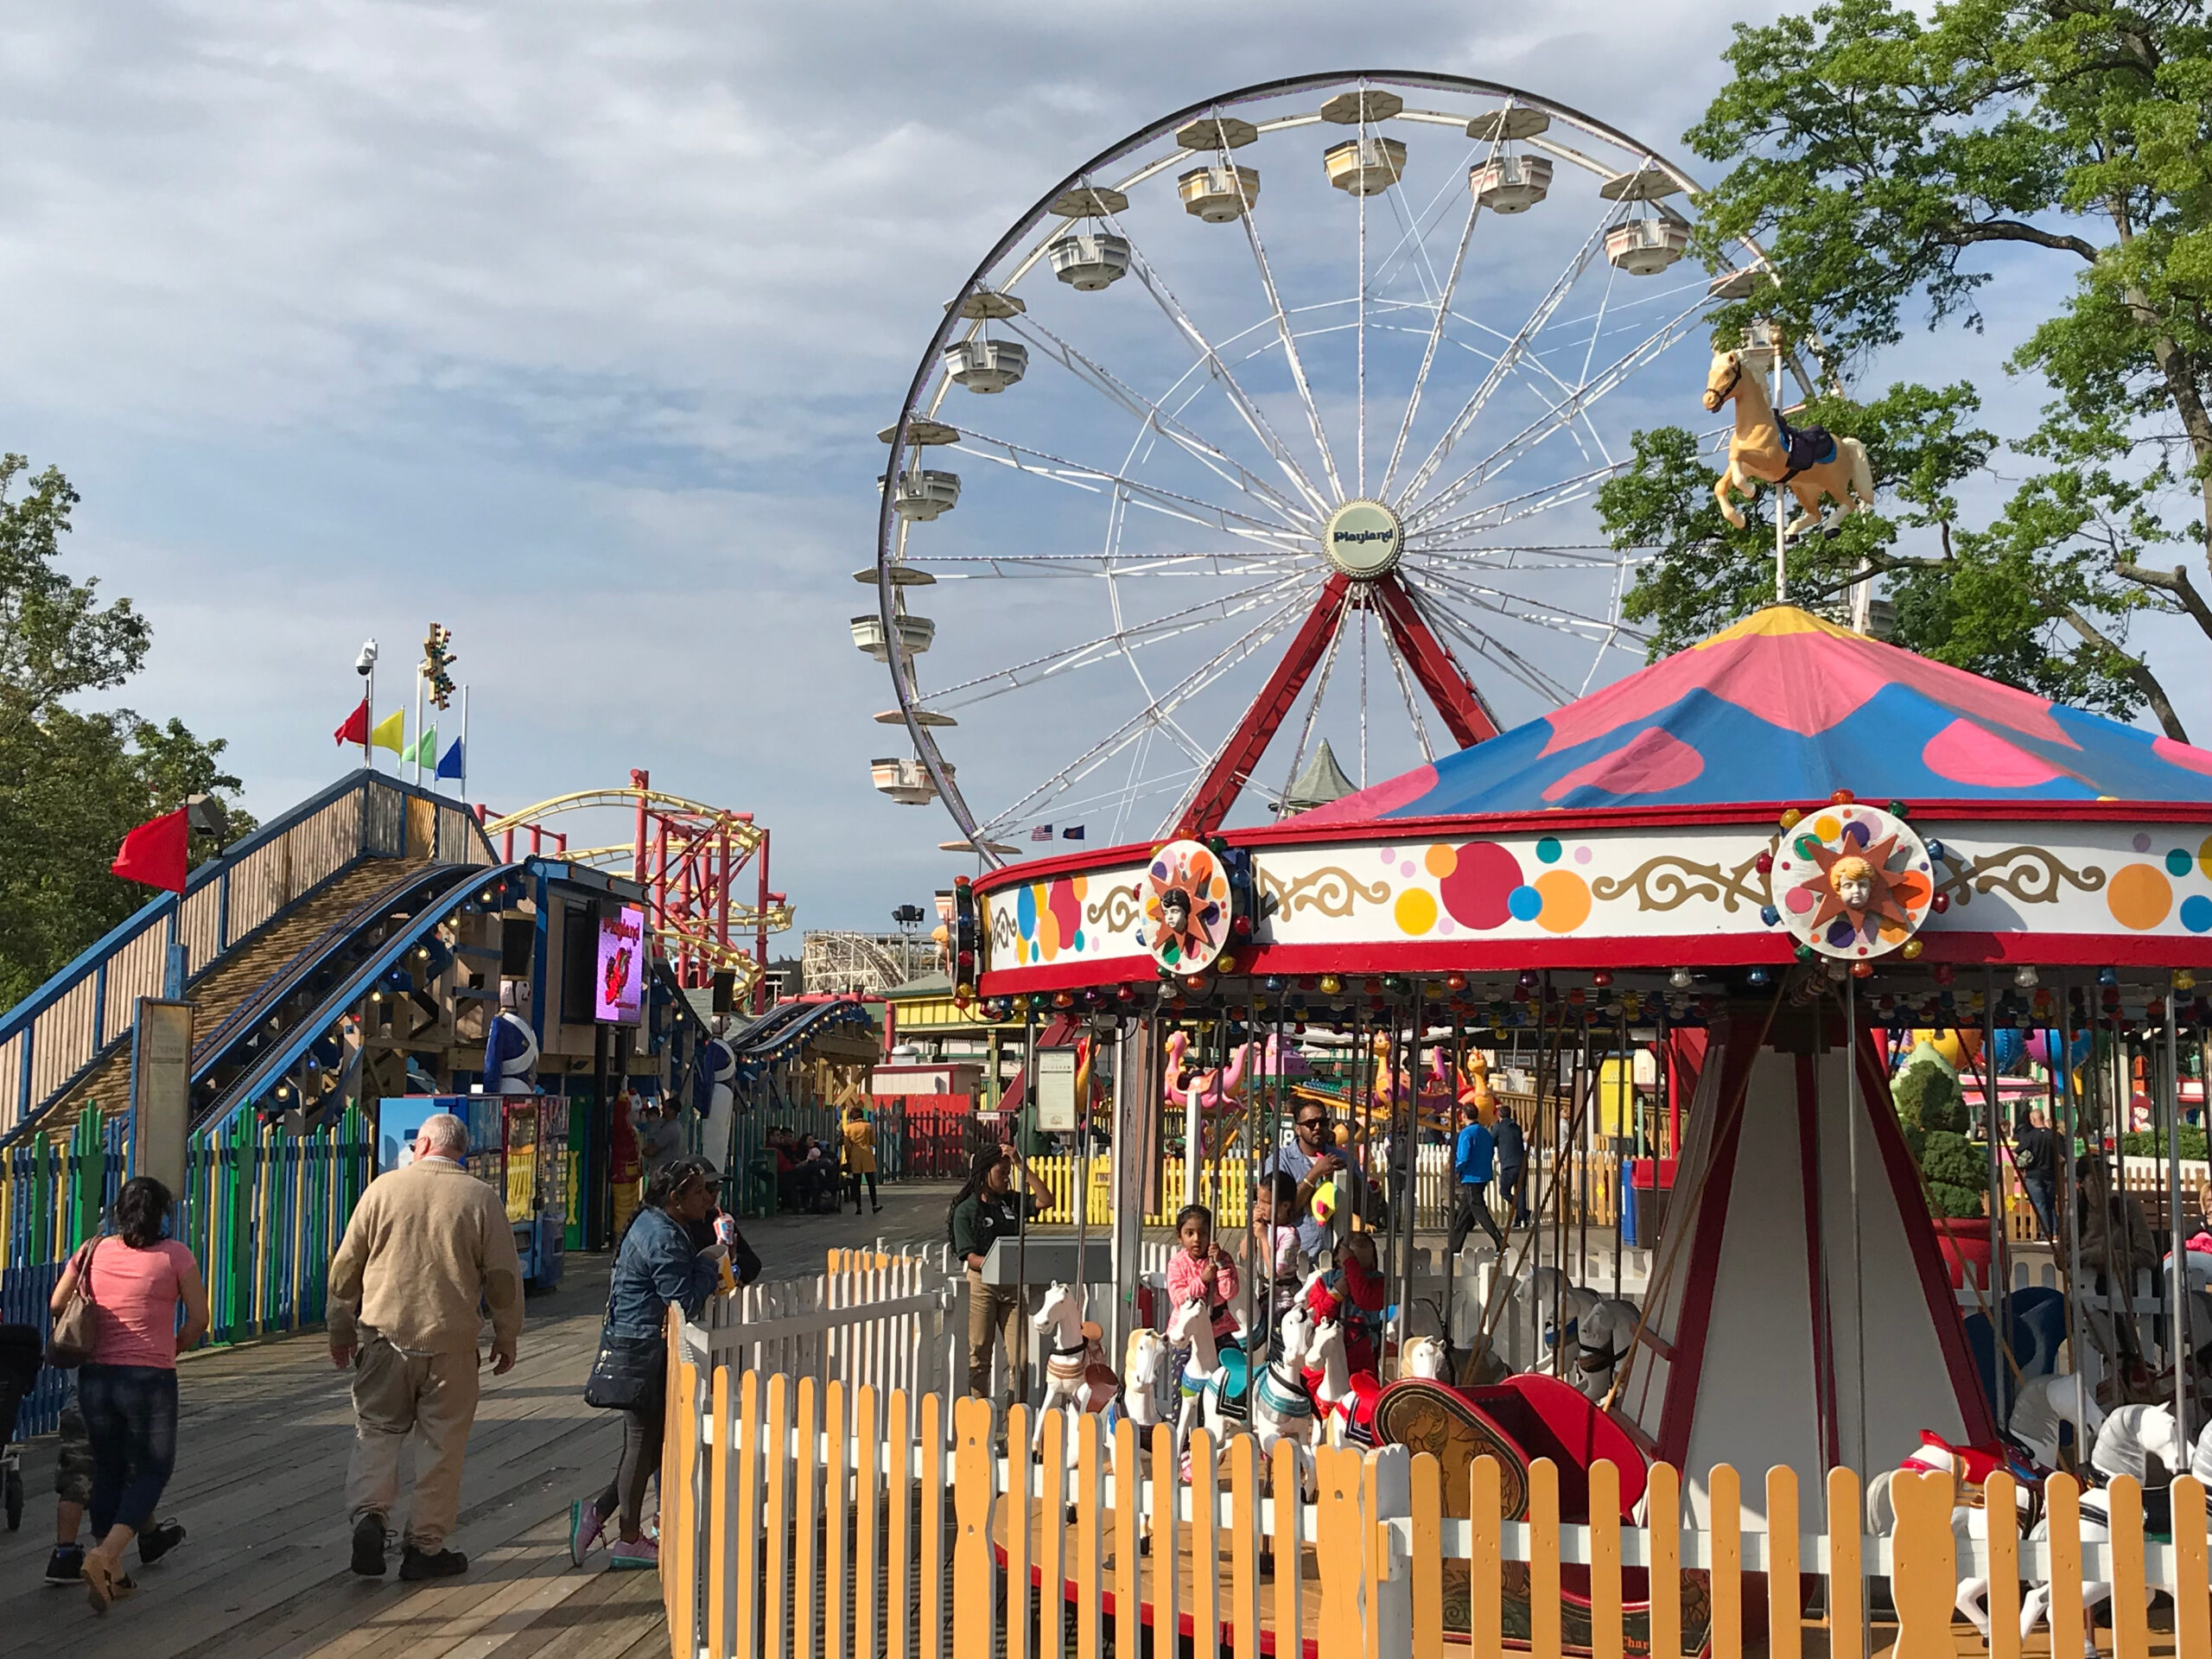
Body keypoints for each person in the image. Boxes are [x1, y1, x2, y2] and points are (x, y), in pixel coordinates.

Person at [329, 1110, 524, 1583]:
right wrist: (506, 1333)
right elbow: (501, 1278)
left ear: (421, 1145)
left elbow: (345, 1268)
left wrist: (340, 1329)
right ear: (461, 1152)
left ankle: (371, 1517)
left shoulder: (382, 1190)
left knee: (376, 1431)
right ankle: (424, 1547)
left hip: (382, 1340)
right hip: (450, 1346)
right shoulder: (480, 1199)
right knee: (442, 1446)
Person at [48, 1175, 208, 1613]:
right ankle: (105, 1555)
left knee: (110, 1468)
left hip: (96, 1377)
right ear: (162, 1214)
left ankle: (111, 1573)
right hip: (149, 1379)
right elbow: (199, 1318)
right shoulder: (175, 1256)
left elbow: (58, 1304)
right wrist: (172, 1347)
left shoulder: (92, 1249)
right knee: (153, 1470)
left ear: (118, 1210)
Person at [570, 1158, 728, 1570]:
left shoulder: (653, 1224)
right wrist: (709, 1263)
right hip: (643, 1345)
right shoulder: (664, 1235)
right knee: (643, 1443)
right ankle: (626, 1537)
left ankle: (599, 1514)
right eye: (700, 1193)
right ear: (676, 1198)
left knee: (648, 1443)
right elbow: (683, 1300)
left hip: (632, 1337)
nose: (708, 1200)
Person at [949, 1145, 1052, 1400]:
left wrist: (1020, 1165)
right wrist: (996, 1262)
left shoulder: (1011, 1202)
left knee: (1021, 1358)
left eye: (1008, 1173)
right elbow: (970, 1257)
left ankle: (1015, 1416)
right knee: (980, 1354)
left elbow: (1046, 1200)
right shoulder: (966, 1210)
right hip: (982, 1284)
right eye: (1001, 1173)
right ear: (985, 1173)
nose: (1007, 1178)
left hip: (1011, 1285)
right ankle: (978, 1413)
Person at [1262, 1104, 1368, 1266]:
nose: (1317, 1128)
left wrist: (1352, 1178)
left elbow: (1367, 1209)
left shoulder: (1344, 1159)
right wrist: (1315, 1173)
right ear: (1298, 1129)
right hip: (1295, 1260)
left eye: (1322, 1122)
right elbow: (1281, 1212)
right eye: (1310, 1124)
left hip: (1338, 1260)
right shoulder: (1279, 1162)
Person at [1165, 1204, 1241, 1347]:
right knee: (1180, 1366)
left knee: (1233, 1359)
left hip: (1218, 1328)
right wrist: (1202, 1281)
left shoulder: (1222, 1259)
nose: (1196, 1239)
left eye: (1203, 1233)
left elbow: (1230, 1292)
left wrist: (1220, 1265)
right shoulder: (1177, 1264)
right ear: (1180, 1237)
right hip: (1187, 1331)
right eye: (1190, 1233)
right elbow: (1179, 1299)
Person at [1448, 1107, 1505, 1255]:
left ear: (1464, 1115)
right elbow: (1491, 1151)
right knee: (1464, 1213)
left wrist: (1456, 1169)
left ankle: (1501, 1242)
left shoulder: (1466, 1133)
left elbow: (1463, 1156)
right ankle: (1455, 1246)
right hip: (1483, 1174)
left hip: (1470, 1176)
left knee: (1480, 1211)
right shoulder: (1485, 1132)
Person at [2014, 1109, 2059, 1240]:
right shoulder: (2054, 1135)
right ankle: (2055, 1231)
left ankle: (2046, 1233)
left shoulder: (2029, 1136)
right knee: (2051, 1204)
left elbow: (2018, 1152)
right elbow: (2062, 1155)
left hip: (2034, 1174)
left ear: (2033, 1120)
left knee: (2040, 1205)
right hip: (2051, 1174)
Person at [1492, 1107, 1528, 1229]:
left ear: (1499, 1115)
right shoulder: (1517, 1127)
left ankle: (1523, 1211)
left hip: (1509, 1164)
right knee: (1521, 1191)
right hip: (1522, 1162)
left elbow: (1492, 1141)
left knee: (1504, 1191)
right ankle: (1521, 1219)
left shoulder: (1498, 1127)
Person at [843, 1104, 881, 1214]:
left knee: (856, 1182)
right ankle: (874, 1205)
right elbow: (873, 1142)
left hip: (855, 1154)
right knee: (871, 1182)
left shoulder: (848, 1128)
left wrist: (848, 1155)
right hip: (867, 1154)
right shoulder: (868, 1126)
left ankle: (858, 1207)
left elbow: (846, 1144)